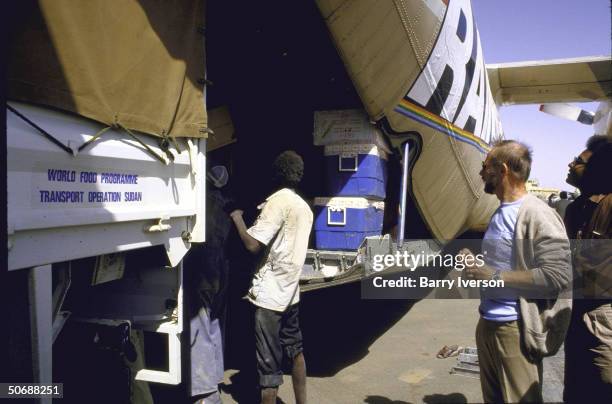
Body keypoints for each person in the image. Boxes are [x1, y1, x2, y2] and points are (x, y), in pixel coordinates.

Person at [460, 140, 572, 403]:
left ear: (504, 170)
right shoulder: (501, 212)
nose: (480, 173)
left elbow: (557, 276)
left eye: (485, 166)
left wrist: (494, 276)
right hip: (488, 322)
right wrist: (476, 263)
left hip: (515, 330)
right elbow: (507, 262)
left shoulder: (537, 213)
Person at [229, 151, 313, 404]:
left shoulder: (277, 202)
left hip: (269, 295)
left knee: (268, 364)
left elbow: (252, 245)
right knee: (295, 350)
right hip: (291, 292)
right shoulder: (304, 207)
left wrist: (237, 218)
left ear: (277, 173)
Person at [563, 135, 612, 402]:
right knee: (576, 389)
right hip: (577, 310)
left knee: (604, 386)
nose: (571, 164)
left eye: (579, 161)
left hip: (603, 313)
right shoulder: (575, 209)